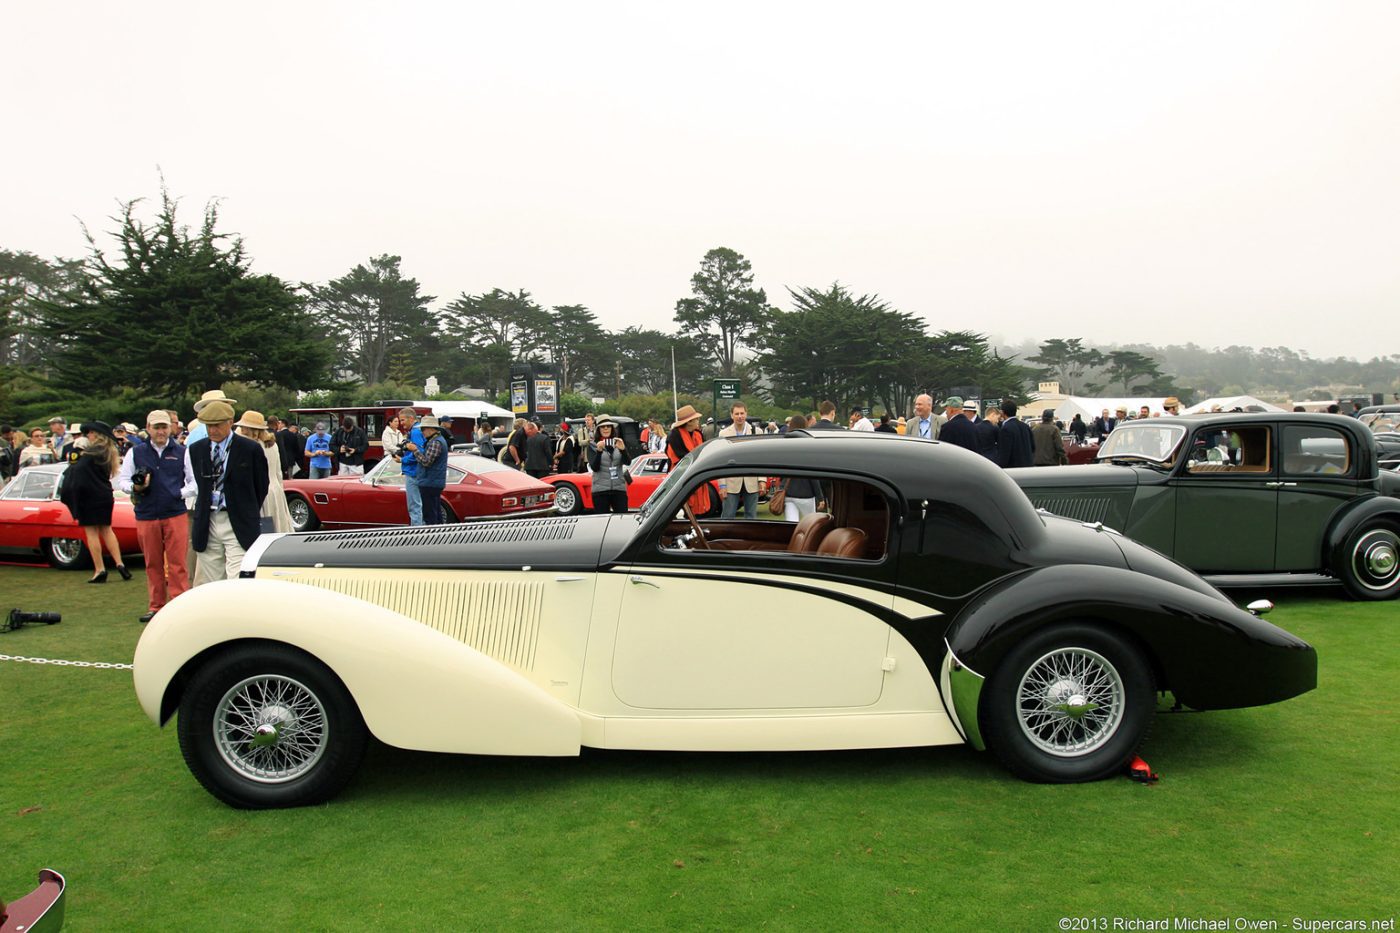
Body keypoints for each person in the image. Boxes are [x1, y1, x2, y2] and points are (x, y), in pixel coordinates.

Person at [117, 409, 195, 622]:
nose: (161, 431)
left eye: (164, 427)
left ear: (171, 428)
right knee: (152, 562)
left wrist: (178, 493)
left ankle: (179, 604)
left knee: (178, 561)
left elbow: (193, 482)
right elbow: (122, 481)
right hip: (146, 513)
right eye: (157, 427)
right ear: (148, 428)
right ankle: (157, 606)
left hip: (174, 512)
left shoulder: (181, 451)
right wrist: (135, 487)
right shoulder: (136, 452)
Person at [188, 400, 268, 584]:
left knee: (238, 577)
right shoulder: (197, 449)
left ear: (230, 422)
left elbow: (261, 485)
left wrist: (246, 508)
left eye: (217, 425)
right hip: (208, 521)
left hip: (238, 519)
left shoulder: (250, 449)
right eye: (208, 426)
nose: (212, 430)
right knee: (213, 579)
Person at [58, 422, 132, 583]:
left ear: (97, 435)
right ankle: (120, 564)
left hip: (89, 496)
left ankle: (100, 569)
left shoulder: (89, 454)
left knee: (91, 532)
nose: (88, 436)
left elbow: (77, 473)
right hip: (104, 494)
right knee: (107, 530)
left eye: (90, 433)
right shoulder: (108, 452)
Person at [236, 411, 292, 533]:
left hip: (260, 492)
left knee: (263, 531)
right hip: (275, 489)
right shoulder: (272, 444)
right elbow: (278, 472)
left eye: (242, 427)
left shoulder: (250, 447)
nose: (241, 430)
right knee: (277, 528)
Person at [718, 402, 766, 518]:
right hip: (731, 481)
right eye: (737, 414)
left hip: (751, 480)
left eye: (742, 413)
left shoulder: (757, 432)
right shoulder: (724, 433)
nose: (740, 416)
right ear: (731, 415)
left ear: (746, 414)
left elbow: (761, 457)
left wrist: (762, 480)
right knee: (728, 516)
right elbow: (721, 459)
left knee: (751, 516)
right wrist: (722, 486)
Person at [666, 405, 713, 514]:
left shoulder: (697, 433)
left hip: (697, 477)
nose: (698, 421)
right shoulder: (674, 437)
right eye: (696, 419)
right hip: (682, 480)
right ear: (689, 422)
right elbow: (680, 459)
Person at [777, 414, 823, 520]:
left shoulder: (783, 444)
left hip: (788, 492)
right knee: (810, 525)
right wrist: (820, 496)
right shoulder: (808, 444)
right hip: (806, 493)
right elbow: (812, 473)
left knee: (791, 526)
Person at [588, 416, 631, 513]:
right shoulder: (592, 445)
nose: (606, 428)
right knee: (602, 521)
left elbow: (628, 462)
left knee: (621, 518)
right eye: (603, 427)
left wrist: (623, 450)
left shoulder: (618, 442)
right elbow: (594, 467)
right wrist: (599, 451)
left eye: (608, 426)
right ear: (598, 429)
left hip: (618, 488)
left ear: (612, 428)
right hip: (600, 489)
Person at [414, 415, 450, 524]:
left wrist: (415, 450)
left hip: (430, 482)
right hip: (433, 482)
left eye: (423, 429)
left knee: (430, 515)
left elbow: (426, 462)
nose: (422, 432)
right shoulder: (438, 440)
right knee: (436, 513)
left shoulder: (435, 442)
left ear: (431, 429)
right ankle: (439, 536)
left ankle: (432, 538)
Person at [397, 407, 425, 525]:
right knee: (419, 505)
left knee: (414, 507)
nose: (401, 423)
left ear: (411, 419)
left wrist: (402, 460)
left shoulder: (415, 432)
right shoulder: (419, 429)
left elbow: (418, 452)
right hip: (419, 472)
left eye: (403, 420)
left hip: (413, 472)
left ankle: (417, 535)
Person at [997, 401, 1034, 468]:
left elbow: (1005, 453)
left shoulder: (1006, 428)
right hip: (1028, 466)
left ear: (1002, 412)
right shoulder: (1025, 426)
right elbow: (1033, 447)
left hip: (1014, 468)